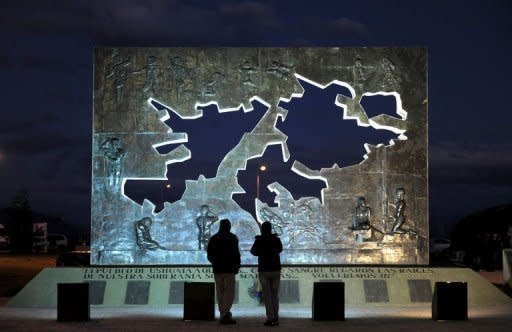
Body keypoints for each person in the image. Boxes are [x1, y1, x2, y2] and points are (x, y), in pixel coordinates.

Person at [206, 219, 240, 324]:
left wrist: (214, 262)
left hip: (218, 269)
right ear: (229, 226)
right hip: (229, 269)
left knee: (220, 292)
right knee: (229, 292)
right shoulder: (233, 238)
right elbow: (236, 253)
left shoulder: (214, 238)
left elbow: (209, 254)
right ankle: (225, 313)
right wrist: (237, 266)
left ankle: (222, 313)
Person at [250, 221, 283, 326]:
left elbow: (253, 252)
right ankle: (276, 316)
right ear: (270, 229)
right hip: (275, 269)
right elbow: (280, 249)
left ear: (262, 229)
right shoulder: (276, 239)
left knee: (267, 295)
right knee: (274, 294)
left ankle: (270, 317)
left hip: (264, 270)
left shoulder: (259, 240)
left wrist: (262, 251)